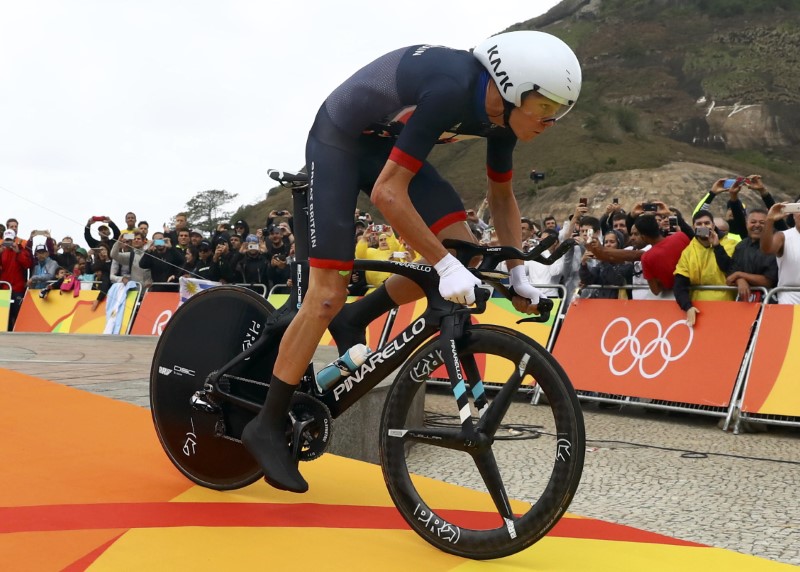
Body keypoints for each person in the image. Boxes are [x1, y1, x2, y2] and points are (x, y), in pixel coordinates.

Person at [240, 30, 582, 493]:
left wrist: (518, 272)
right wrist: (443, 266)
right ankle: (266, 424)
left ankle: (357, 318)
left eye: (559, 112)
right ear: (509, 85)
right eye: (544, 108)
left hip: (386, 144)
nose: (550, 122)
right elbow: (386, 193)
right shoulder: (450, 88)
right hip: (339, 141)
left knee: (468, 252)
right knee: (326, 295)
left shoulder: (503, 117)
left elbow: (501, 195)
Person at [674, 210, 737, 327]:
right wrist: (688, 307)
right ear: (693, 227)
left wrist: (717, 247)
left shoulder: (730, 244)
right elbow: (679, 284)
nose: (703, 226)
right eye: (699, 224)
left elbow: (729, 269)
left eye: (707, 223)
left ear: (713, 225)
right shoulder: (688, 252)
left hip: (726, 304)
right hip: (698, 308)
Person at [714, 208, 778, 302]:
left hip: (771, 302)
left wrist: (739, 275)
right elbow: (731, 275)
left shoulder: (775, 245)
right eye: (753, 222)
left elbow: (768, 281)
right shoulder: (741, 246)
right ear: (746, 223)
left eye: (762, 222)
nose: (757, 225)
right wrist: (740, 280)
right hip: (744, 302)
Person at [760, 202, 800, 304]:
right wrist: (769, 220)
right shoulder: (783, 236)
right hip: (790, 297)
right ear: (793, 215)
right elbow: (767, 249)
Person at [0, 229, 33, 328]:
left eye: (10, 240)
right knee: (5, 314)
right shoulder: (2, 251)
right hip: (4, 287)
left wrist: (18, 252)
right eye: (7, 240)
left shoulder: (22, 250)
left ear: (15, 239)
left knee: (17, 313)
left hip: (18, 289)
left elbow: (27, 264)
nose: (8, 243)